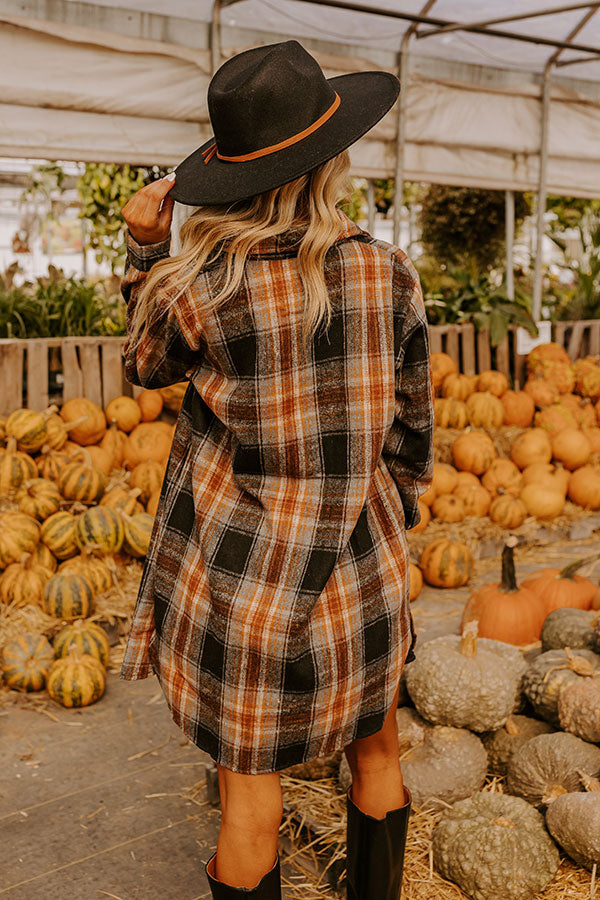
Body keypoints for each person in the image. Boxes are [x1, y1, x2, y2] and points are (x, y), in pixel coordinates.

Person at [119, 39, 434, 900]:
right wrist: (383, 521)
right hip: (359, 571)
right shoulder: (388, 272)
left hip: (241, 584)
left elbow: (143, 368)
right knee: (377, 756)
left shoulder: (195, 284)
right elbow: (412, 430)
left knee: (249, 803)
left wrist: (146, 251)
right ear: (327, 158)